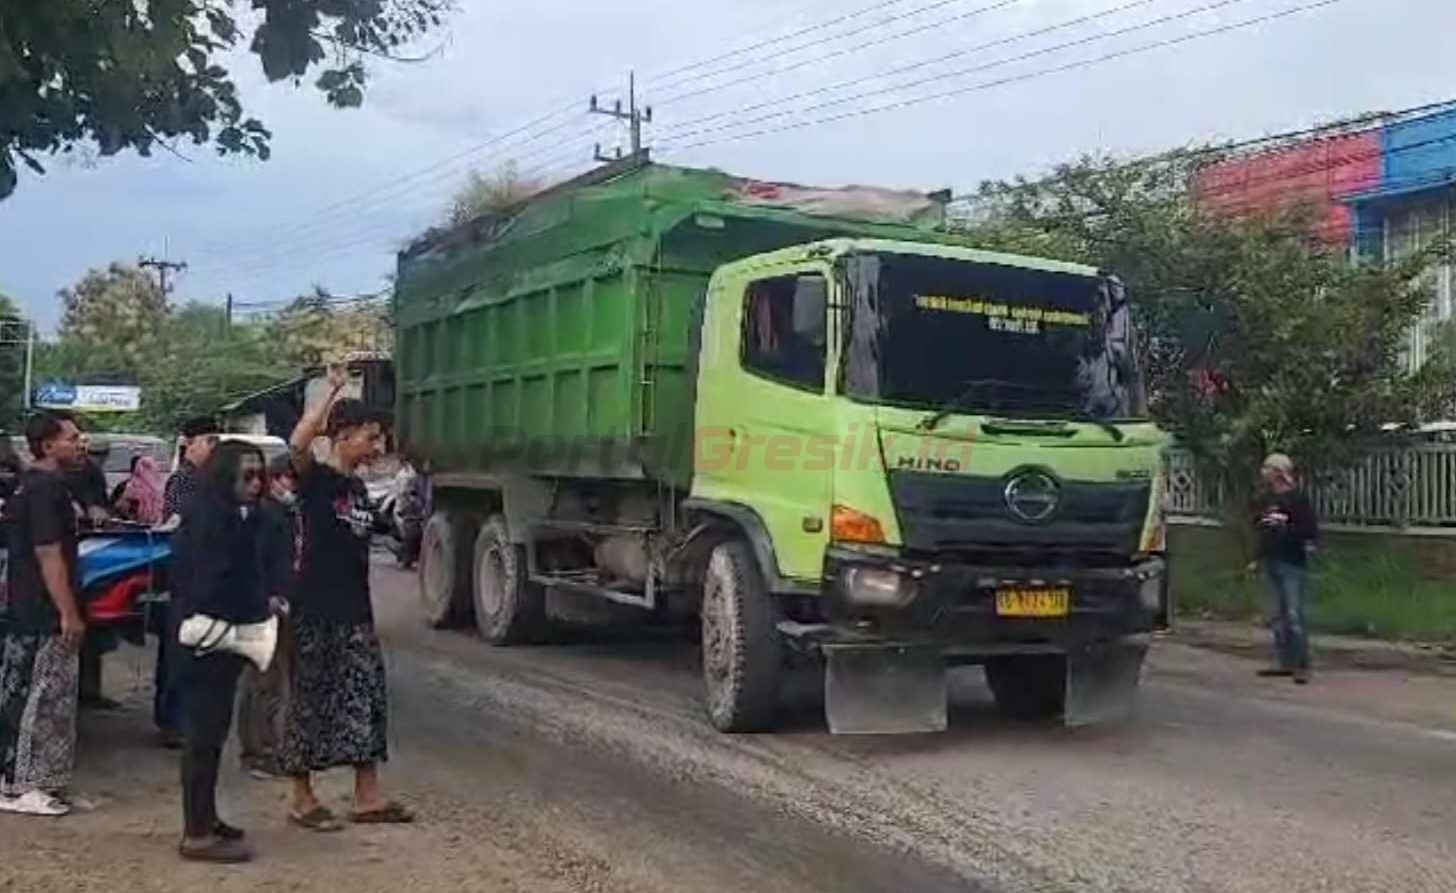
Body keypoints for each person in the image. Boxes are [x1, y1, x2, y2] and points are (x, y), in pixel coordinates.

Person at [280, 368, 412, 830]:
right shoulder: (314, 479)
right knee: (309, 700)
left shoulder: (357, 491)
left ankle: (367, 797)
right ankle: (302, 798)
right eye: (370, 438)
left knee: (365, 698)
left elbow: (386, 533)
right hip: (314, 612)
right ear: (343, 436)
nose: (377, 448)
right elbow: (297, 443)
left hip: (355, 613)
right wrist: (333, 390)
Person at [173, 441, 269, 863]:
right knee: (202, 737)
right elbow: (213, 585)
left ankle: (206, 819)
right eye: (247, 476)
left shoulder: (230, 515)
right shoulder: (211, 519)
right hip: (207, 639)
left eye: (259, 475)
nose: (256, 484)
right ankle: (196, 832)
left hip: (218, 638)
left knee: (212, 736)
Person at [0, 412, 86, 816]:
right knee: (39, 699)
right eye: (71, 437)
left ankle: (41, 782)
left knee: (39, 696)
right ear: (48, 445)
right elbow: (48, 553)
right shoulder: (45, 490)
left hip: (27, 608)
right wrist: (68, 612)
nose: (78, 443)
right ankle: (22, 785)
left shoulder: (31, 487)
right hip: (41, 612)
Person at [155, 416, 220, 748]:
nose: (213, 447)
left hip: (209, 579)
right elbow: (180, 526)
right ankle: (172, 721)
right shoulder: (182, 482)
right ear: (188, 443)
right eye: (208, 440)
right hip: (185, 577)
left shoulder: (213, 481)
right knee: (179, 653)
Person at [236, 455, 298, 779]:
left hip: (279, 604)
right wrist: (269, 597)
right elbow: (256, 562)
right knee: (263, 682)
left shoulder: (284, 515)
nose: (292, 487)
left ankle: (268, 747)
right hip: (265, 609)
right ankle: (257, 753)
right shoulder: (265, 516)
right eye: (289, 479)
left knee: (273, 682)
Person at [1252, 453, 1319, 685]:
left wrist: (1286, 528)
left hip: (1292, 562)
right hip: (1272, 560)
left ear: (1279, 472)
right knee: (1277, 615)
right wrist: (1257, 557)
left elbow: (1309, 531)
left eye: (1267, 468)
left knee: (1293, 614)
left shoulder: (1298, 499)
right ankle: (1284, 662)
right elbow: (1262, 531)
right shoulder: (1268, 498)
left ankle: (1302, 664)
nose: (1263, 472)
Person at [117, 454, 166, 526]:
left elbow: (120, 506)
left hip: (135, 527)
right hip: (157, 528)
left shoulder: (133, 485)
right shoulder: (162, 487)